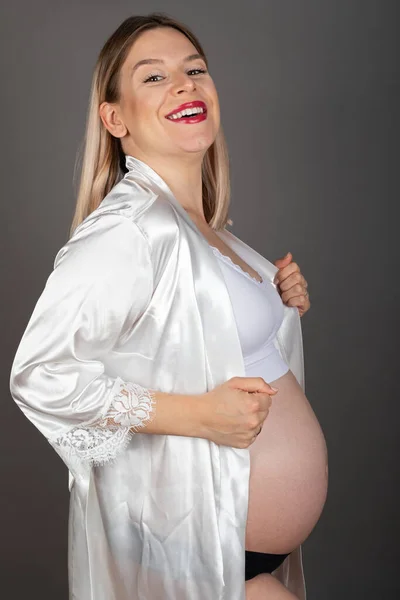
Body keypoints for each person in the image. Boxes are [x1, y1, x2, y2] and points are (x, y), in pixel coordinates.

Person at [9, 12, 328, 600]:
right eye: (153, 78)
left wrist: (279, 302)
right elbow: (40, 375)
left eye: (195, 70)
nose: (184, 84)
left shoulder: (209, 230)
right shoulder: (128, 229)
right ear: (114, 118)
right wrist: (198, 416)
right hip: (196, 545)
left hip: (236, 543)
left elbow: (194, 336)